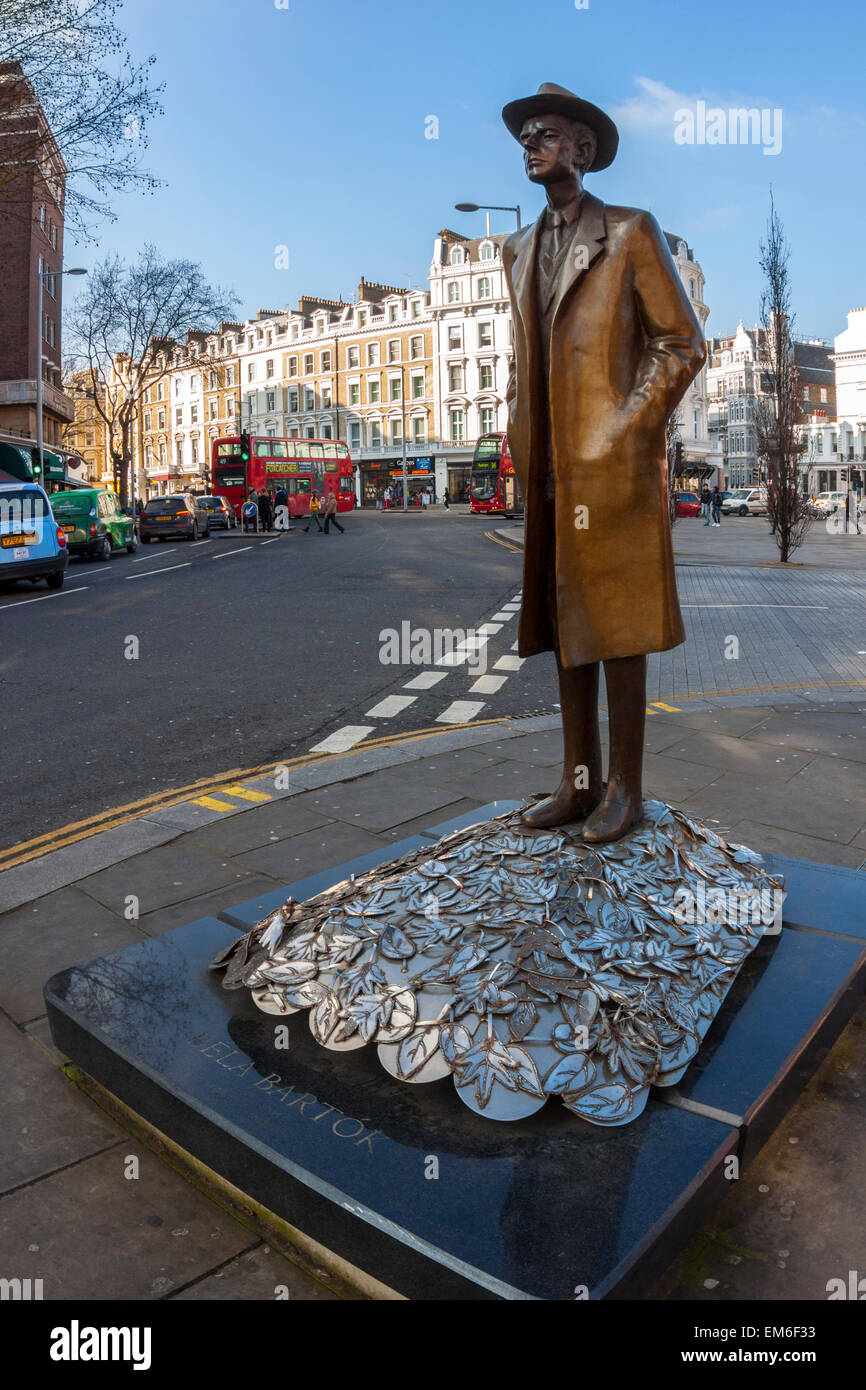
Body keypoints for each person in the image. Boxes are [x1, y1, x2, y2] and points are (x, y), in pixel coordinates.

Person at [501, 81, 705, 841]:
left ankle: (627, 788)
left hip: (612, 465)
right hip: (549, 465)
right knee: (566, 622)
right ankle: (576, 782)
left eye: (546, 133)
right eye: (525, 135)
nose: (531, 143)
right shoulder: (514, 249)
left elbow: (681, 343)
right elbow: (527, 359)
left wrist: (627, 428)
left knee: (617, 627)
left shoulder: (629, 232)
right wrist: (520, 428)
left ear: (583, 151)